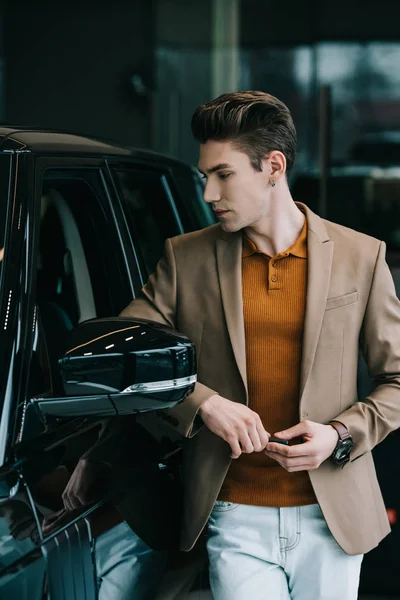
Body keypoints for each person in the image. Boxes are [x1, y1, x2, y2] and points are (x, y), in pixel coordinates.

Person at [65, 91, 400, 600]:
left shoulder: (361, 256)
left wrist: (339, 435)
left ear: (273, 166)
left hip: (333, 516)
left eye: (223, 175)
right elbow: (124, 356)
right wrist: (206, 403)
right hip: (234, 513)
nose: (207, 193)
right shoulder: (185, 259)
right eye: (205, 176)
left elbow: (396, 380)